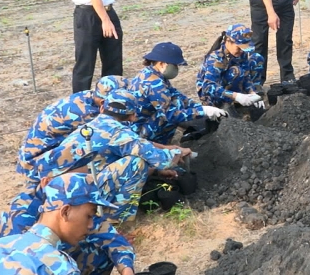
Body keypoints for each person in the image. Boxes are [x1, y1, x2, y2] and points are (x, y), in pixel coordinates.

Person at [26, 90, 191, 221]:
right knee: (136, 164)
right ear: (132, 115)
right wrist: (179, 151)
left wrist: (155, 171)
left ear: (104, 107)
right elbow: (162, 159)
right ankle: (114, 220)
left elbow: (109, 158)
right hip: (71, 194)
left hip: (54, 189)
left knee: (131, 160)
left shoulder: (94, 124)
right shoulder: (119, 134)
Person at [0, 172, 137, 275]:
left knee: (101, 250)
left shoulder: (71, 205)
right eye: (89, 216)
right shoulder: (22, 220)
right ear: (65, 211)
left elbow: (113, 239)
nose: (91, 223)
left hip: (46, 263)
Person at [18, 76, 126, 177]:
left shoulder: (88, 96)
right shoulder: (88, 114)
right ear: (104, 102)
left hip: (36, 156)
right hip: (36, 166)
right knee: (109, 154)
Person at [129, 42, 228, 143]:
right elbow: (170, 115)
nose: (176, 68)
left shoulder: (152, 73)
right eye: (175, 65)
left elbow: (176, 95)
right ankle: (158, 146)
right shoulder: (154, 84)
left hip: (141, 122)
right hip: (139, 132)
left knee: (178, 102)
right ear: (162, 63)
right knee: (171, 115)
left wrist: (199, 107)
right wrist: (202, 112)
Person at [196, 24, 265, 111]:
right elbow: (208, 87)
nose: (241, 51)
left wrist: (252, 92)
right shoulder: (215, 59)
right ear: (228, 41)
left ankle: (248, 97)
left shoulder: (240, 53)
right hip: (212, 97)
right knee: (236, 71)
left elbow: (246, 73)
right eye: (239, 48)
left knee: (256, 58)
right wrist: (236, 96)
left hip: (230, 83)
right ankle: (229, 105)